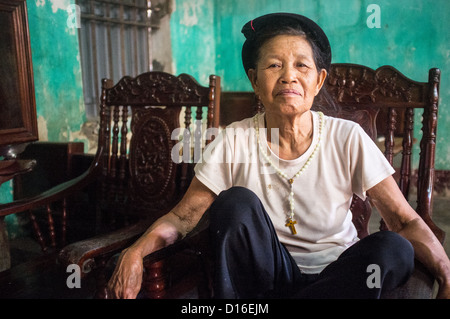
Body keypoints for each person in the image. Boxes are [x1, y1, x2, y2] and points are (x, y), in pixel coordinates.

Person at [107, 12, 450, 299]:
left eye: (302, 66)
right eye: (274, 65)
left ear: (318, 81)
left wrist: (447, 275)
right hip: (265, 278)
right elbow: (183, 218)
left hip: (339, 276)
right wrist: (135, 252)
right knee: (235, 203)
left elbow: (403, 221)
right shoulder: (233, 140)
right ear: (255, 81)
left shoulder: (347, 138)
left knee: (395, 249)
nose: (289, 76)